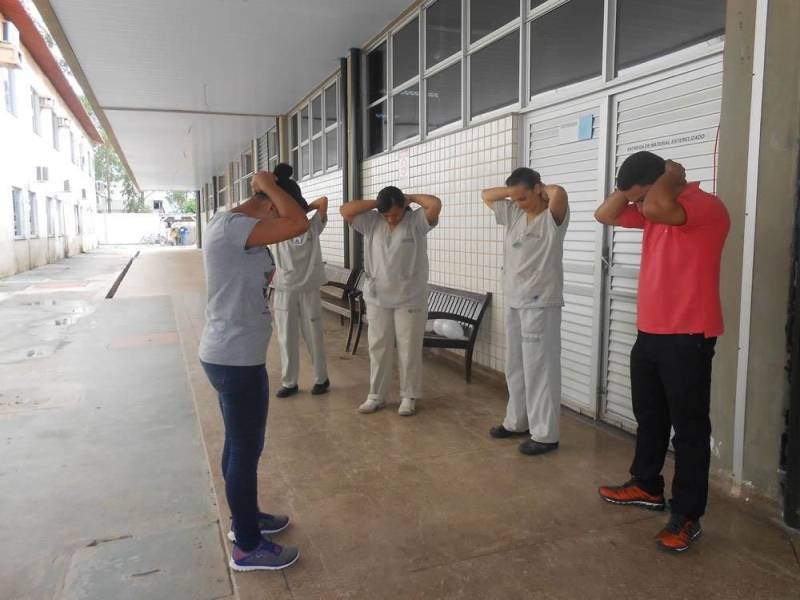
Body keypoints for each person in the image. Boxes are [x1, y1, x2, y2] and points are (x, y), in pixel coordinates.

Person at [594, 151, 730, 553]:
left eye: (639, 198)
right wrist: (629, 191)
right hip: (651, 332)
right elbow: (606, 214)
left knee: (689, 430)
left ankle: (687, 515)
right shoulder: (654, 207)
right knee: (650, 417)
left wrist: (667, 179)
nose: (636, 208)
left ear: (660, 185)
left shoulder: (704, 207)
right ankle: (647, 485)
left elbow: (655, 204)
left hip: (689, 333)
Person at [199, 170, 309, 571]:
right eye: (274, 212)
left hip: (235, 354)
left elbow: (293, 223)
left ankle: (244, 519)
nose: (278, 227)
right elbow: (298, 222)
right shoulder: (232, 227)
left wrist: (273, 192)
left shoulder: (238, 229)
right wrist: (271, 184)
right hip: (234, 358)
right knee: (245, 451)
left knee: (240, 445)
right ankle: (247, 546)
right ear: (266, 204)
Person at [481, 168, 569, 456]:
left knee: (540, 370)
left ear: (538, 189)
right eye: (514, 198)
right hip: (515, 300)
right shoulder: (515, 215)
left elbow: (560, 194)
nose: (518, 203)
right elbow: (486, 195)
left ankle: (545, 434)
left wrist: (544, 190)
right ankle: (516, 421)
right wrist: (513, 193)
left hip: (541, 304)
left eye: (523, 197)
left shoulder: (552, 218)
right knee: (516, 365)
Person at [340, 187, 441, 416]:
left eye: (395, 213)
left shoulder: (417, 221)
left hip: (410, 297)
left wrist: (410, 198)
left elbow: (434, 204)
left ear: (405, 207)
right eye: (386, 214)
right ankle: (376, 395)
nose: (391, 218)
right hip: (377, 296)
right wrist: (378, 204)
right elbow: (345, 210)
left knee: (409, 347)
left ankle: (409, 396)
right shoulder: (372, 221)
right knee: (378, 346)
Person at [270, 163, 331, 398]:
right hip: (285, 288)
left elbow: (323, 201)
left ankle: (321, 379)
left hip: (308, 288)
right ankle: (290, 382)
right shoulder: (275, 227)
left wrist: (304, 208)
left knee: (313, 334)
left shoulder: (311, 226)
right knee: (286, 337)